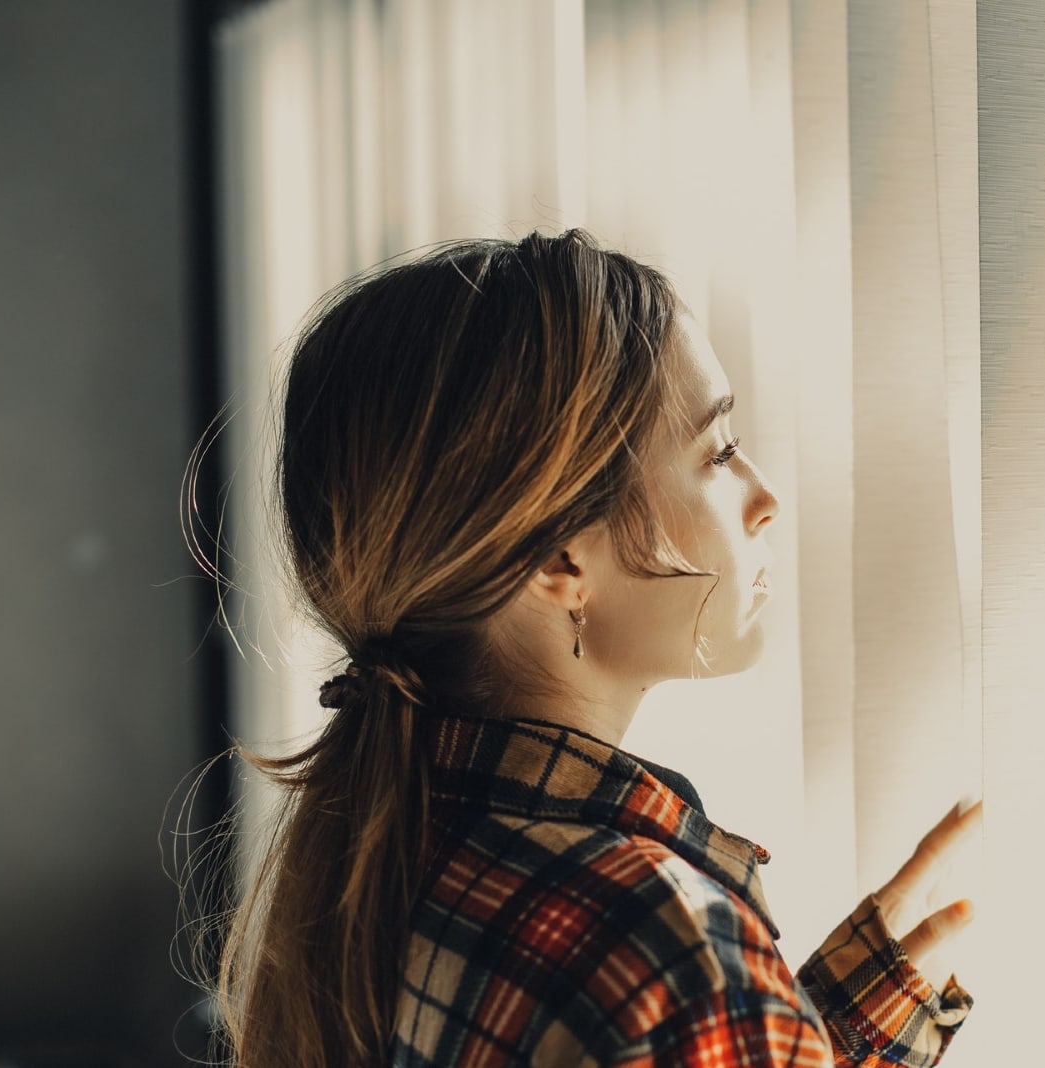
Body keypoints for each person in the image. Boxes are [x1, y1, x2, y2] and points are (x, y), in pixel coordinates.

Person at [211, 229, 981, 1067]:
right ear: (560, 558)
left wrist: (801, 1032)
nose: (766, 498)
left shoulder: (388, 853)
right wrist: (745, 1014)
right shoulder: (673, 964)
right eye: (718, 452)